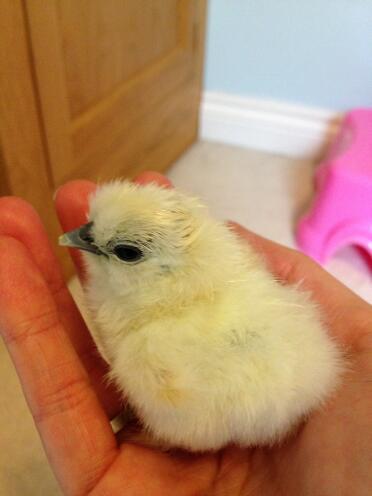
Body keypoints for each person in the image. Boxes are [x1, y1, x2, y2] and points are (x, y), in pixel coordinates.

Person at [0, 171, 371, 496]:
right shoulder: (239, 273)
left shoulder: (154, 342)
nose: (82, 237)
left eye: (126, 252)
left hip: (250, 403)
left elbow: (194, 411)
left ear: (167, 271)